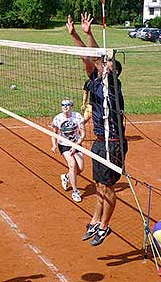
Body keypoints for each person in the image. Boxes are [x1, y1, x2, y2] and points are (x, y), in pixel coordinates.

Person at [67, 13, 128, 246]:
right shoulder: (94, 81)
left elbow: (95, 56)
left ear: (114, 72)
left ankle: (105, 226)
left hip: (113, 142)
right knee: (99, 185)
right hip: (100, 140)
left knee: (108, 186)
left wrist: (90, 33)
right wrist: (75, 35)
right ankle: (95, 220)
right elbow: (87, 58)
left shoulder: (113, 85)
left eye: (107, 65)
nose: (102, 67)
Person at [51, 98, 85, 203]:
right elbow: (54, 133)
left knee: (80, 169)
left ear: (72, 106)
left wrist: (76, 145)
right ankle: (75, 191)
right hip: (64, 145)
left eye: (68, 105)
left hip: (77, 144)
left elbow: (83, 134)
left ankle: (66, 176)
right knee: (72, 164)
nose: (65, 107)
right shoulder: (57, 118)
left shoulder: (77, 116)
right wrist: (54, 145)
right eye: (63, 105)